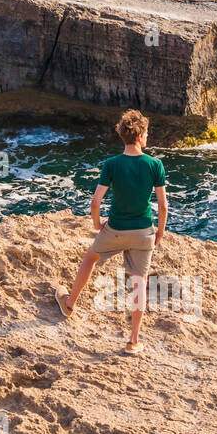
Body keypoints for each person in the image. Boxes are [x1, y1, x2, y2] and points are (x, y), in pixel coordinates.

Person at [55, 109, 167, 355]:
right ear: (139, 137)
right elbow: (163, 205)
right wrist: (159, 232)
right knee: (139, 283)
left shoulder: (111, 164)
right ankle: (133, 341)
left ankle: (69, 304)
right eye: (146, 133)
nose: (147, 137)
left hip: (115, 229)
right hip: (143, 232)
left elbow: (96, 201)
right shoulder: (155, 165)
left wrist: (97, 224)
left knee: (91, 257)